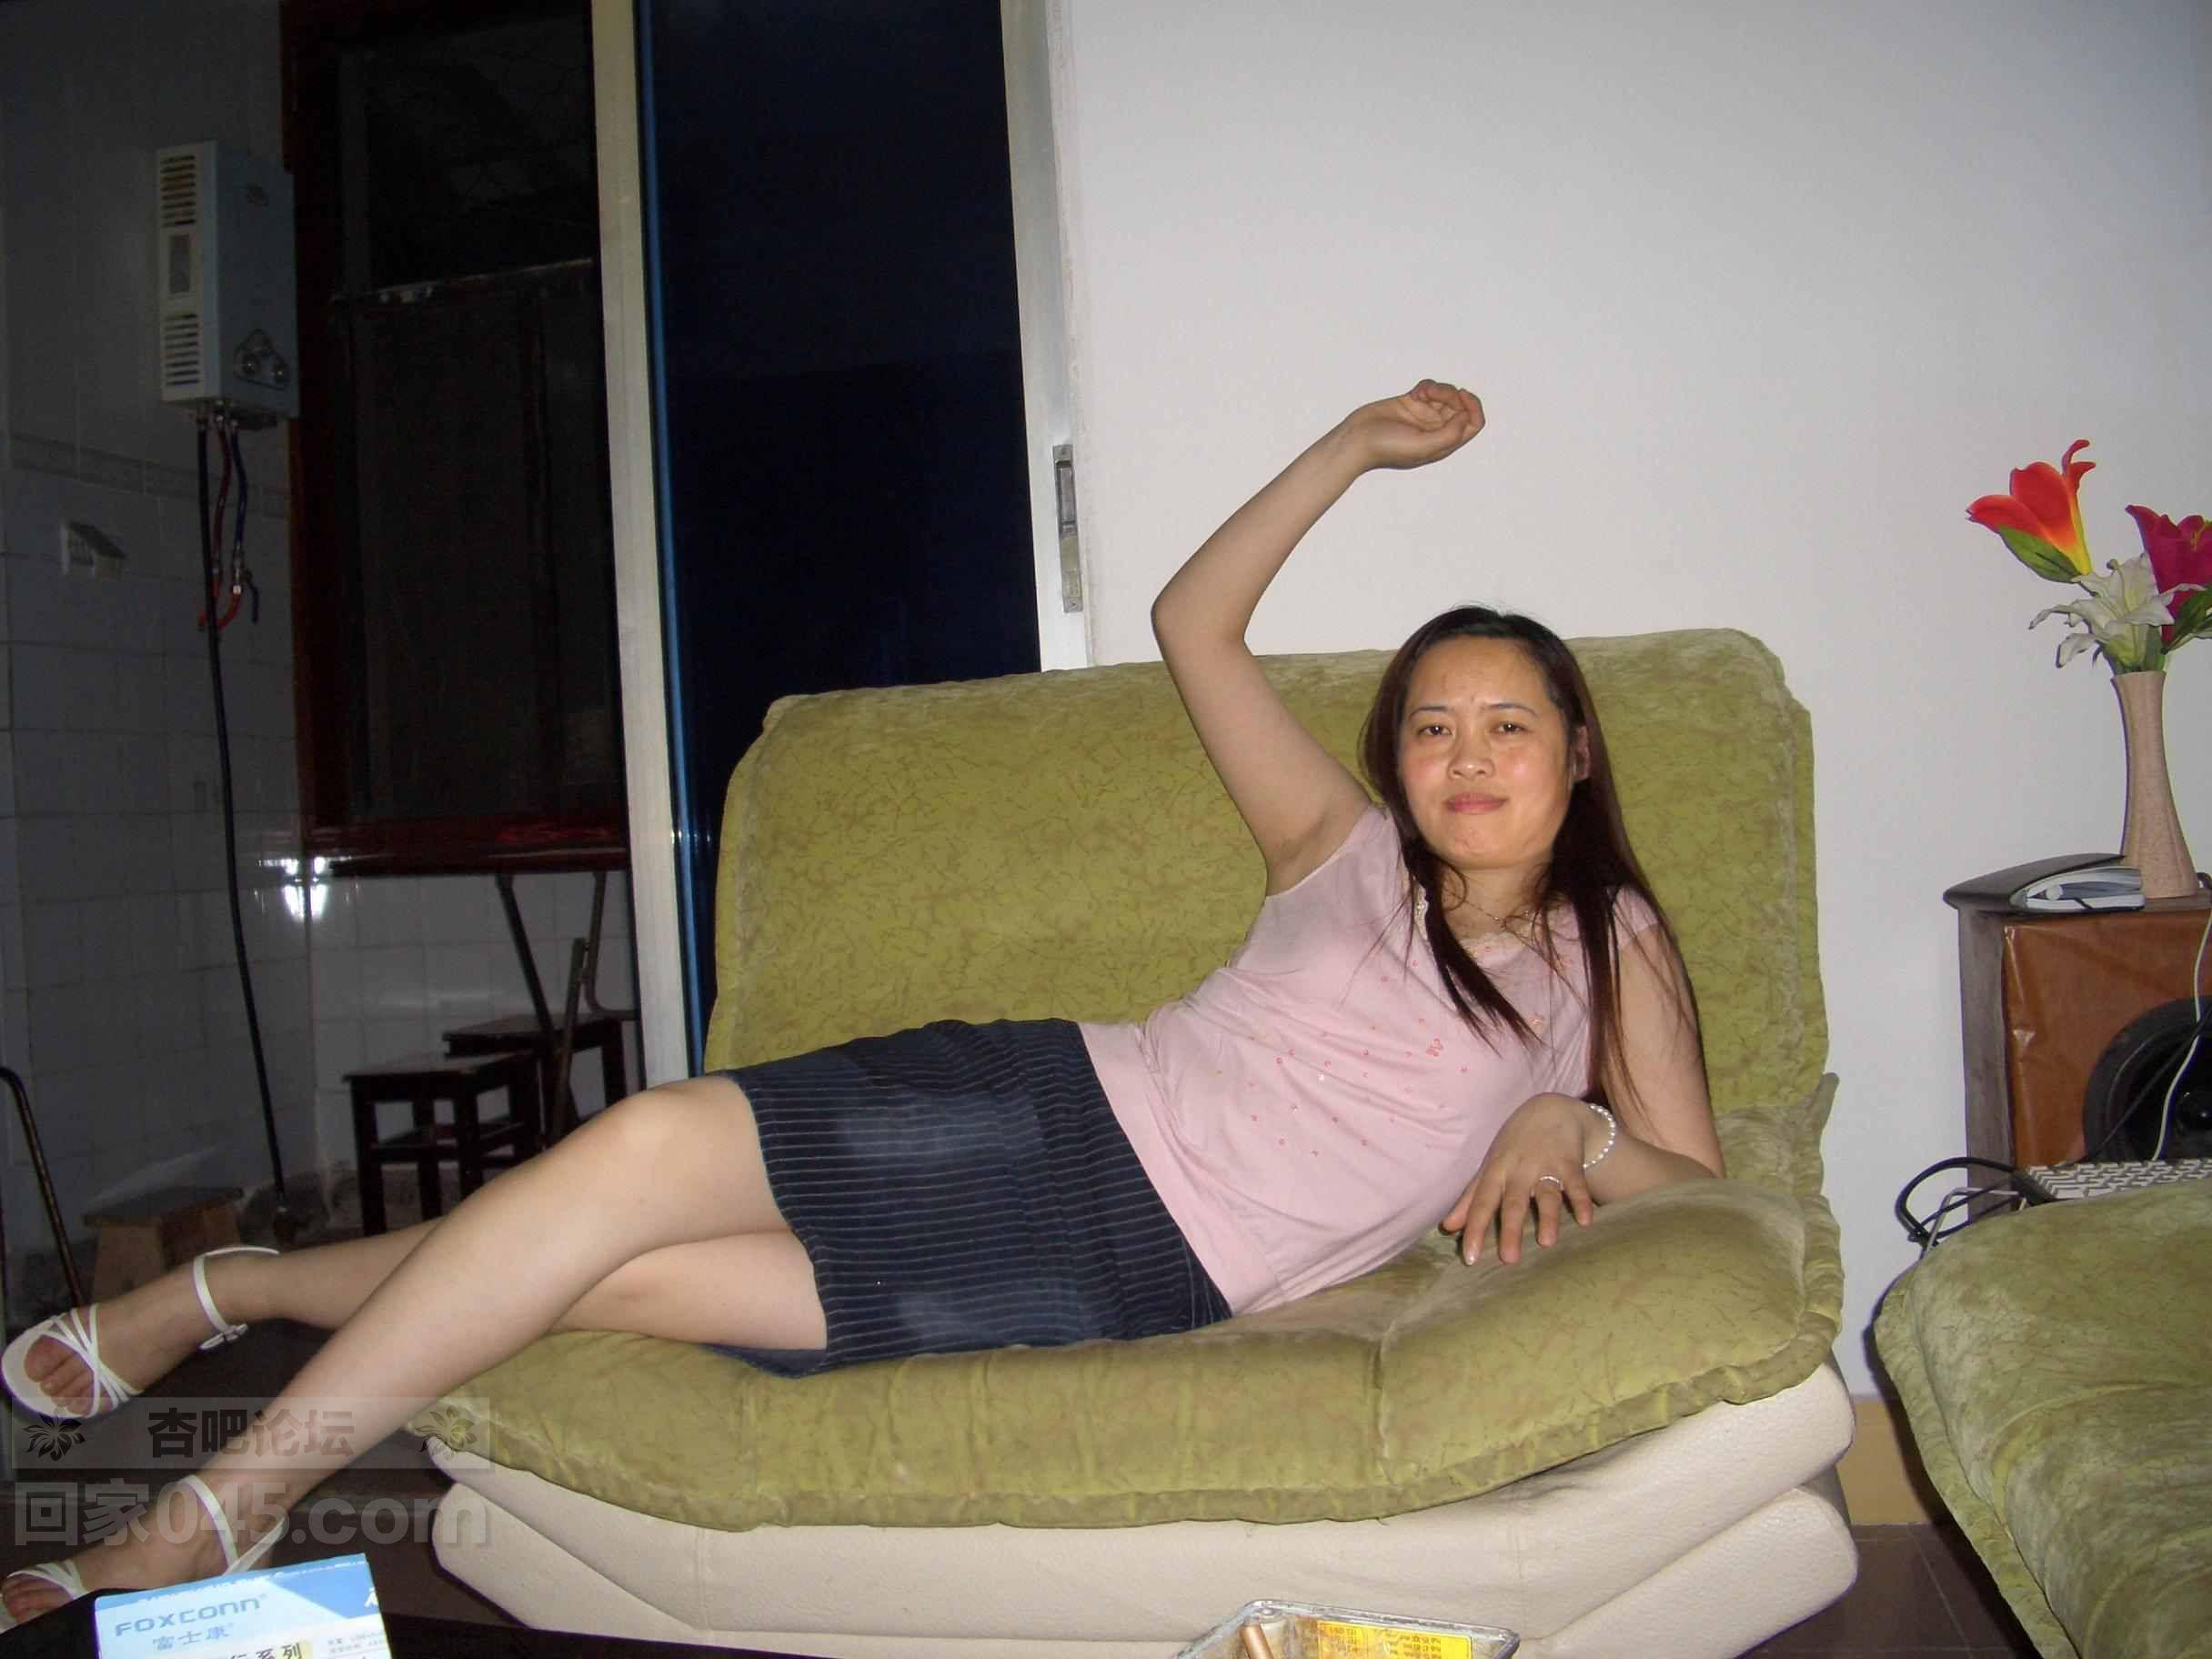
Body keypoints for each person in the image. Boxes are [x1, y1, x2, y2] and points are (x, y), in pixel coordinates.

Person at [0, 380, 1724, 1624]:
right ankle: (218, 1513)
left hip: (1130, 1269)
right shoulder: (1337, 850)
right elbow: (1196, 620)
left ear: (1578, 753)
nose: (1468, 757)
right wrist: (1349, 445)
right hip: (1039, 1103)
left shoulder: (1615, 944)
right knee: (636, 1153)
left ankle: (232, 1286)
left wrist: (1562, 1119)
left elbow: (1700, 1184)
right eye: (1433, 726)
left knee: (601, 1276)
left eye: (1510, 725)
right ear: (1393, 761)